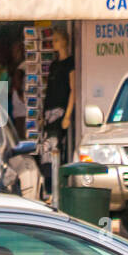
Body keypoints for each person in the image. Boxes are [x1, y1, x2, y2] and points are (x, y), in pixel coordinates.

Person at [43, 27, 76, 174]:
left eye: (56, 40)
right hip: (49, 112)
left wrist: (67, 115)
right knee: (47, 149)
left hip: (60, 111)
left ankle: (57, 182)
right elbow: (49, 90)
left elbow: (73, 89)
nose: (54, 43)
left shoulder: (70, 63)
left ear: (64, 41)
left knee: (56, 148)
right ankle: (51, 182)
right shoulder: (54, 65)